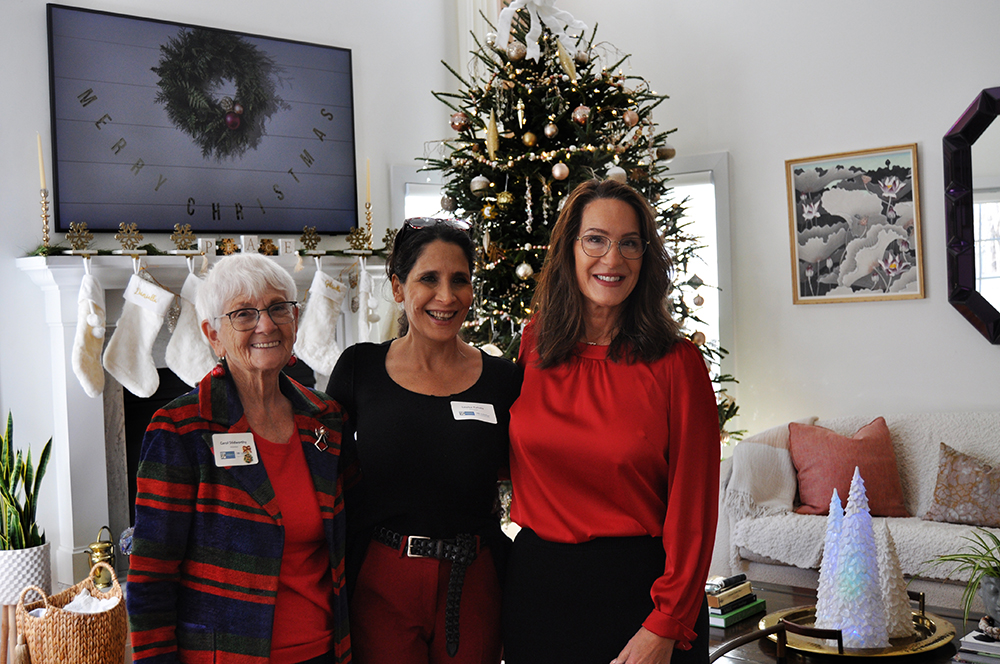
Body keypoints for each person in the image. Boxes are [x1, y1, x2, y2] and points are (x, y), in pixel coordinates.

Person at [502, 179, 720, 664]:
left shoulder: (677, 363)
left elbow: (695, 511)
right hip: (537, 593)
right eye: (596, 239)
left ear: (645, 257)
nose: (612, 258)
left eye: (629, 243)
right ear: (569, 249)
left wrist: (665, 624)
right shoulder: (534, 345)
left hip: (640, 600)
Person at [126, 253, 350, 664]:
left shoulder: (325, 418)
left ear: (295, 320)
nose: (266, 325)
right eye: (244, 314)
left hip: (324, 651)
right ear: (213, 335)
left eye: (279, 308)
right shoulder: (181, 429)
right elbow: (150, 578)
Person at [325, 218, 521, 664]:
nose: (446, 297)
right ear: (398, 287)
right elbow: (322, 467)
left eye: (460, 280)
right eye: (428, 279)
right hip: (381, 581)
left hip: (474, 584)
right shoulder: (360, 368)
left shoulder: (503, 380)